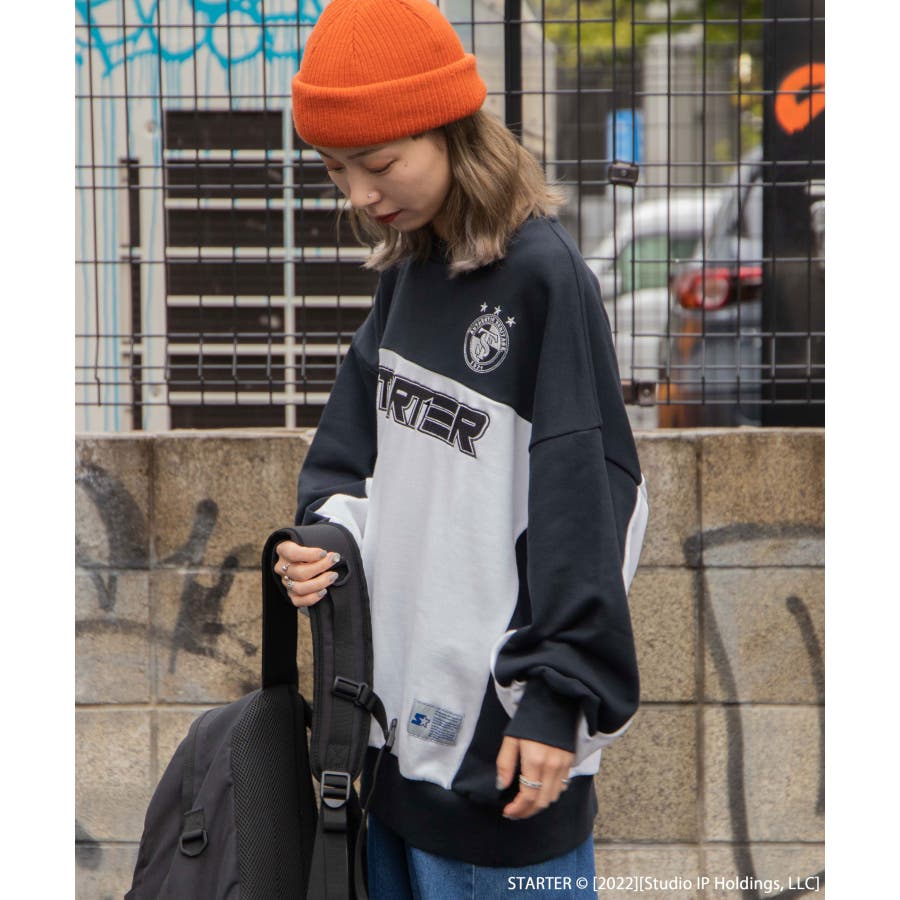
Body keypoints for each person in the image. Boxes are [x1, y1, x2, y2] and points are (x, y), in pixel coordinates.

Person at [274, 1, 649, 896]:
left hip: (504, 761)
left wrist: (557, 698)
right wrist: (323, 543)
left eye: (379, 163)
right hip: (390, 752)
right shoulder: (409, 272)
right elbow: (347, 463)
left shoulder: (544, 277)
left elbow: (593, 501)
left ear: (450, 129)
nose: (359, 196)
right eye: (335, 169)